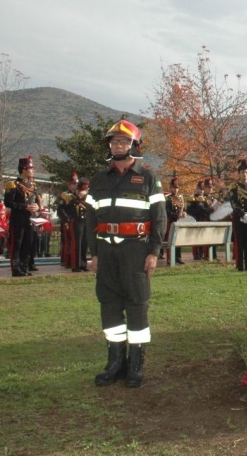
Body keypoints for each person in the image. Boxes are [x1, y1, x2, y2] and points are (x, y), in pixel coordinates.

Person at [85, 119, 167, 388]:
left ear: (135, 145)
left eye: (124, 141)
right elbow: (89, 219)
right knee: (108, 304)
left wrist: (154, 251)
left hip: (136, 250)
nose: (118, 145)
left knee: (137, 305)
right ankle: (115, 362)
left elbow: (160, 218)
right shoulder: (98, 180)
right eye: (114, 141)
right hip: (106, 251)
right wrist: (93, 253)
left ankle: (135, 363)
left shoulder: (148, 177)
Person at [4, 156, 40, 277]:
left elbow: (37, 201)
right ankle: (16, 268)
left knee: (27, 244)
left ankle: (24, 267)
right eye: (30, 168)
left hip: (29, 220)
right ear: (24, 169)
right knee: (17, 244)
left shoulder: (32, 185)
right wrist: (25, 207)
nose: (32, 170)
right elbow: (8, 203)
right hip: (17, 220)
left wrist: (37, 207)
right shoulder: (13, 185)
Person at [57, 172, 79, 269]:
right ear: (69, 184)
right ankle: (66, 260)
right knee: (66, 241)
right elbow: (61, 209)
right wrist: (66, 218)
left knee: (75, 241)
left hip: (76, 220)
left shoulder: (78, 194)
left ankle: (74, 260)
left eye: (77, 183)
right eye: (74, 183)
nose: (76, 185)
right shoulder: (65, 195)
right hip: (67, 220)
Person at [164, 177, 185, 264]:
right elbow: (167, 211)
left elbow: (183, 208)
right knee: (171, 239)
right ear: (170, 188)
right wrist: (176, 215)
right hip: (171, 221)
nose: (175, 190)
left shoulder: (180, 198)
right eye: (174, 187)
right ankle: (170, 258)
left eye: (177, 188)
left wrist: (184, 213)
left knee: (178, 239)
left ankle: (178, 257)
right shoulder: (167, 198)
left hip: (178, 221)